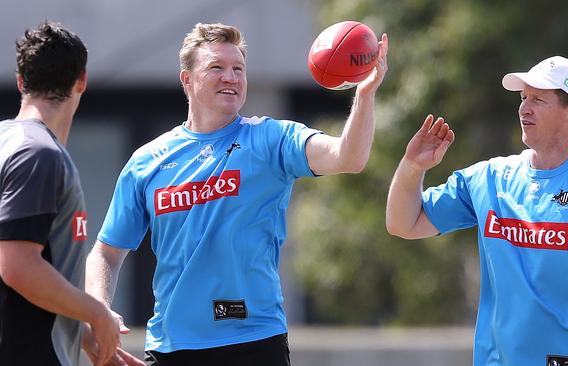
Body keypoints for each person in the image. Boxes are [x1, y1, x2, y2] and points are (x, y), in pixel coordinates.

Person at [85, 22, 388, 365]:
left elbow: (349, 157)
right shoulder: (147, 161)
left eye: (238, 69)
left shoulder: (271, 138)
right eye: (216, 67)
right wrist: (99, 308)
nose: (230, 77)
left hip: (255, 341)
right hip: (172, 348)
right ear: (187, 80)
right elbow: (106, 252)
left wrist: (364, 95)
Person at [386, 56, 568, 366]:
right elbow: (404, 223)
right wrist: (412, 168)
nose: (524, 108)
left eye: (538, 99)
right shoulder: (489, 177)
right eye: (523, 97)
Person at [0, 21, 144, 366]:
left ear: (21, 81)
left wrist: (82, 333)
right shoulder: (38, 153)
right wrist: (96, 313)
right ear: (82, 80)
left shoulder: (9, 143)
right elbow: (17, 266)